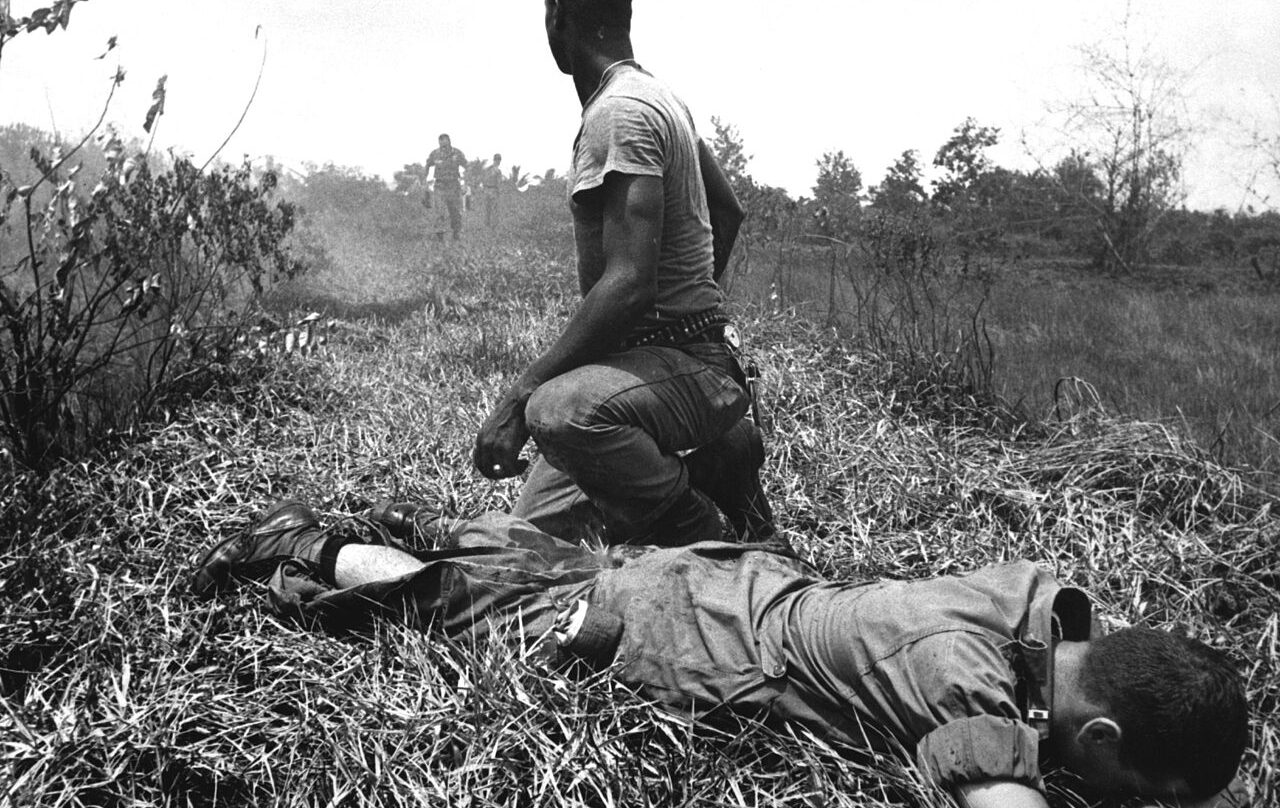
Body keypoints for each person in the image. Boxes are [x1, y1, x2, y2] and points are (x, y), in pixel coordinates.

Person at [192, 499, 1251, 808]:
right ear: (1098, 732)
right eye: (1138, 796)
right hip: (659, 628)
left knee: (497, 568)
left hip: (721, 583)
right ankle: (299, 543)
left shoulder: (1042, 605)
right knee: (430, 599)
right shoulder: (957, 677)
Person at [471, 0, 772, 546]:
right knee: (535, 543)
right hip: (670, 361)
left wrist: (518, 396)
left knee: (559, 413)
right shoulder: (659, 97)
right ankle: (725, 452)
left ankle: (695, 520)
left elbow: (629, 284)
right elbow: (728, 211)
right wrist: (693, 308)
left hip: (688, 366)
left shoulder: (620, 111)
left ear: (557, 17)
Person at [426, 133, 467, 241]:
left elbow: (468, 167)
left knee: (455, 212)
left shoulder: (457, 153)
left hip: (454, 186)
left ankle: (456, 234)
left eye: (445, 145)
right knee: (439, 211)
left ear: (449, 142)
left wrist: (465, 184)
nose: (443, 147)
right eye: (441, 145)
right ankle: (440, 237)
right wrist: (424, 182)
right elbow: (427, 165)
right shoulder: (435, 154)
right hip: (440, 186)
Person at [479, 153, 504, 228]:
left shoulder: (490, 169)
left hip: (489, 190)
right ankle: (491, 225)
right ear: (496, 160)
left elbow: (483, 179)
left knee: (490, 208)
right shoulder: (495, 170)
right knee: (492, 208)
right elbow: (499, 183)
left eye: (499, 160)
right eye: (498, 160)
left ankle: (489, 225)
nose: (498, 162)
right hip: (491, 190)